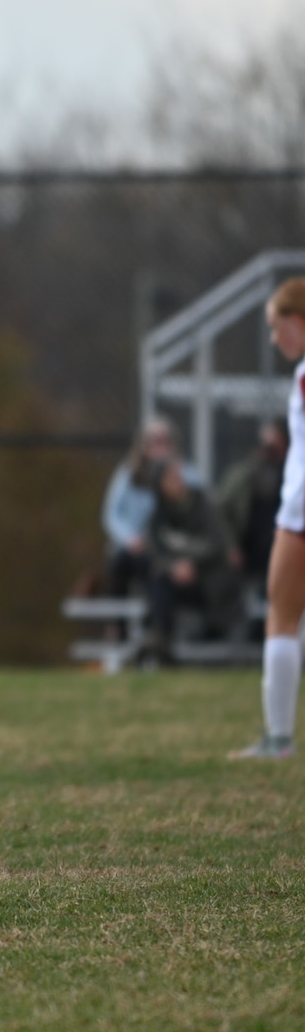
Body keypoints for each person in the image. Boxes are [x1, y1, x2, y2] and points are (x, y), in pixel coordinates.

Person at [235, 278, 305, 760]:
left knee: (281, 615)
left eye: (276, 327)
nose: (274, 338)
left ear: (297, 323)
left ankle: (278, 738)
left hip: (299, 511)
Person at [143, 461, 239, 657]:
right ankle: (161, 640)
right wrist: (174, 566)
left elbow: (215, 545)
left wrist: (189, 563)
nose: (179, 481)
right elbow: (154, 553)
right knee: (158, 579)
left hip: (209, 581)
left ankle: (161, 640)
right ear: (160, 485)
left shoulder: (202, 504)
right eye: (171, 478)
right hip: (177, 581)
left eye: (178, 476)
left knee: (162, 582)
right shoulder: (157, 516)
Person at [102, 418, 200, 596]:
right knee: (122, 565)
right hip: (139, 549)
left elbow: (199, 509)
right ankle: (117, 622)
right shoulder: (130, 474)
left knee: (163, 573)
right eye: (155, 441)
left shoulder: (185, 474)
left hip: (172, 549)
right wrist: (130, 538)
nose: (160, 447)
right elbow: (111, 514)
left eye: (165, 441)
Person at [216, 419, 287, 594]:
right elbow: (220, 512)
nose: (268, 453)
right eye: (266, 447)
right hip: (247, 546)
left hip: (282, 545)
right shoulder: (241, 476)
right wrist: (231, 546)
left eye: (275, 448)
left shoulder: (293, 478)